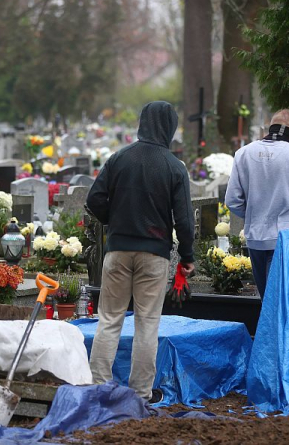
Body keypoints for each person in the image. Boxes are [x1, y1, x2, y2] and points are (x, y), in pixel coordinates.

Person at [86, 100, 195, 404]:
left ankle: (99, 386)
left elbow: (94, 199)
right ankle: (140, 395)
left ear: (141, 123)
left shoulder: (119, 158)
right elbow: (185, 220)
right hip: (154, 254)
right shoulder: (174, 167)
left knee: (109, 319)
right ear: (170, 127)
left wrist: (115, 220)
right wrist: (187, 257)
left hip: (118, 250)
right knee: (147, 324)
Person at [225, 109, 289, 300]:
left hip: (255, 237)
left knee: (266, 298)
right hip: (286, 236)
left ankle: (267, 329)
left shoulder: (243, 153)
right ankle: (277, 331)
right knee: (279, 301)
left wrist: (254, 214)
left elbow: (232, 200)